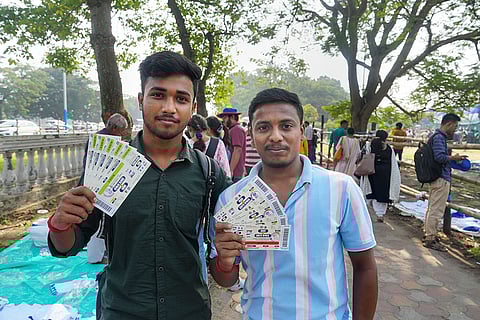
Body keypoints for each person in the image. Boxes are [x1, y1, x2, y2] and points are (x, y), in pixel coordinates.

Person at [47, 51, 232, 320]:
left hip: (189, 311)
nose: (169, 107)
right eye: (158, 94)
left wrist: (227, 260)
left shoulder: (210, 173)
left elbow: (223, 273)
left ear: (192, 108)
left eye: (181, 98)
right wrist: (60, 224)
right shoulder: (109, 167)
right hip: (122, 311)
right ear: (141, 100)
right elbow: (67, 246)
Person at [212, 88, 378, 319]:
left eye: (286, 126)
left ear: (301, 132)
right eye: (263, 127)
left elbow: (365, 267)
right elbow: (225, 279)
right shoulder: (231, 199)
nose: (276, 136)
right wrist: (224, 260)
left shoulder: (341, 189)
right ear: (250, 134)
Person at [423, 113, 466, 251]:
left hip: (436, 177)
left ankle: (429, 235)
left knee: (432, 208)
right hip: (441, 178)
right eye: (455, 126)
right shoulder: (439, 138)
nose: (455, 129)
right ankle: (430, 238)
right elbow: (439, 157)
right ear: (449, 123)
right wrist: (454, 158)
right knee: (436, 210)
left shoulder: (436, 137)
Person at [360, 130, 401, 223]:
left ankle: (373, 210)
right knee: (383, 192)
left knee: (373, 190)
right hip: (385, 172)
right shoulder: (389, 148)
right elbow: (393, 162)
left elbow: (363, 156)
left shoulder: (369, 145)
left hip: (372, 170)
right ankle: (380, 213)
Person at [218, 108, 246, 182]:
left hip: (235, 172)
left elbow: (237, 150)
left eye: (225, 117)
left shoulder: (236, 129)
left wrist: (231, 170)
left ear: (232, 117)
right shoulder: (232, 129)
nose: (223, 120)